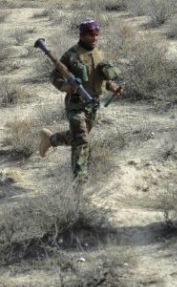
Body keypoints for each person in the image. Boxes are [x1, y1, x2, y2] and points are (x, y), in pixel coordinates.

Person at [38, 19, 123, 183]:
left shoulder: (98, 53)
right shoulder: (71, 54)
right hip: (75, 104)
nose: (95, 38)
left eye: (97, 34)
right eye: (91, 34)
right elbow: (54, 76)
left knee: (77, 137)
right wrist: (66, 87)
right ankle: (79, 182)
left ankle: (50, 140)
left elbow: (100, 77)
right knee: (82, 141)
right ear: (82, 35)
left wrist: (113, 88)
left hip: (93, 103)